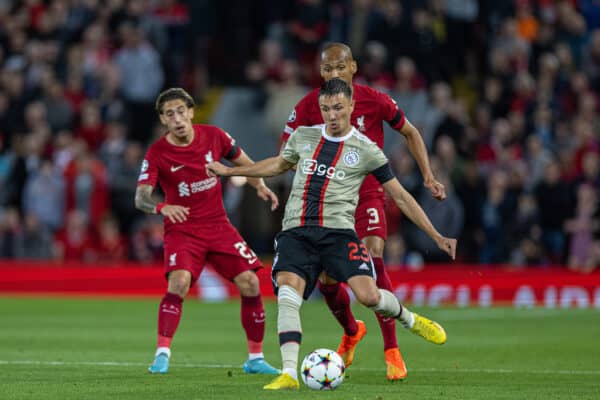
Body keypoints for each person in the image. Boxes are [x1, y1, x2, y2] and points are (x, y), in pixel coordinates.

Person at [207, 78, 457, 390]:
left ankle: (408, 318)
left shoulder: (368, 151)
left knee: (369, 296)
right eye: (326, 109)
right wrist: (231, 171)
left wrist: (436, 235)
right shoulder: (304, 136)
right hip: (296, 232)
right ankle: (288, 373)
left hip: (338, 234)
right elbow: (277, 165)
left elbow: (402, 196)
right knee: (287, 294)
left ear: (352, 106)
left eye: (338, 107)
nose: (332, 115)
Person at [280, 42, 446, 380]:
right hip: (328, 201)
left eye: (340, 67)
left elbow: (410, 132)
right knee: (327, 280)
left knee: (374, 256)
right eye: (327, 69)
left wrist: (427, 174)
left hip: (368, 192)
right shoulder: (311, 105)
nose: (334, 74)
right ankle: (352, 330)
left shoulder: (375, 100)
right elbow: (285, 150)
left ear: (354, 67)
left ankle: (392, 350)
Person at [135, 87, 280, 375]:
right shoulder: (157, 152)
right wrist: (162, 208)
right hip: (182, 231)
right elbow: (141, 197)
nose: (176, 118)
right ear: (163, 120)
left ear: (190, 112)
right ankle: (162, 354)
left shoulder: (215, 136)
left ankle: (255, 359)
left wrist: (260, 185)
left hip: (218, 226)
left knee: (251, 283)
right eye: (169, 114)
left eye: (180, 111)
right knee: (179, 283)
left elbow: (245, 164)